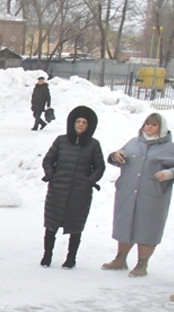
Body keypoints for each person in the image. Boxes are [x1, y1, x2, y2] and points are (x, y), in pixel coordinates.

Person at [102, 112, 174, 277]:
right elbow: (117, 156)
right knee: (125, 225)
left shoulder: (170, 148)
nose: (149, 127)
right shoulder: (134, 143)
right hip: (128, 192)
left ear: (161, 128)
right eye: (147, 124)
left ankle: (142, 264)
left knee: (147, 228)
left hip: (153, 195)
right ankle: (120, 259)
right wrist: (115, 155)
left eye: (154, 125)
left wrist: (169, 173)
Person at [40, 106, 104, 269]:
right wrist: (51, 176)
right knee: (51, 224)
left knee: (76, 225)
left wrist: (89, 181)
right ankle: (47, 255)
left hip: (80, 192)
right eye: (78, 121)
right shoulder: (61, 140)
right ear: (72, 123)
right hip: (58, 189)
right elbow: (48, 160)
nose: (81, 124)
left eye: (84, 122)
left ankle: (71, 258)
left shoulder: (93, 145)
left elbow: (99, 167)